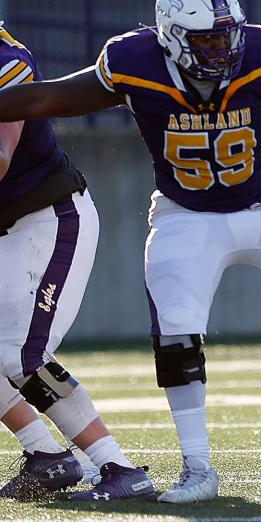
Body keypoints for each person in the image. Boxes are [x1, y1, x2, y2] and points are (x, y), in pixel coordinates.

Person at [0, 0, 261, 501]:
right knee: (176, 327)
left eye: (226, 34)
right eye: (205, 37)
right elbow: (47, 99)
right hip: (186, 215)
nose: (220, 47)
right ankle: (198, 468)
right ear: (171, 34)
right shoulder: (133, 63)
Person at [0, 25, 153, 501]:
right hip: (9, 226)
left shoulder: (7, 61)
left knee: (18, 352)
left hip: (49, 218)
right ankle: (46, 456)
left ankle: (119, 466)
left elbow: (0, 157)